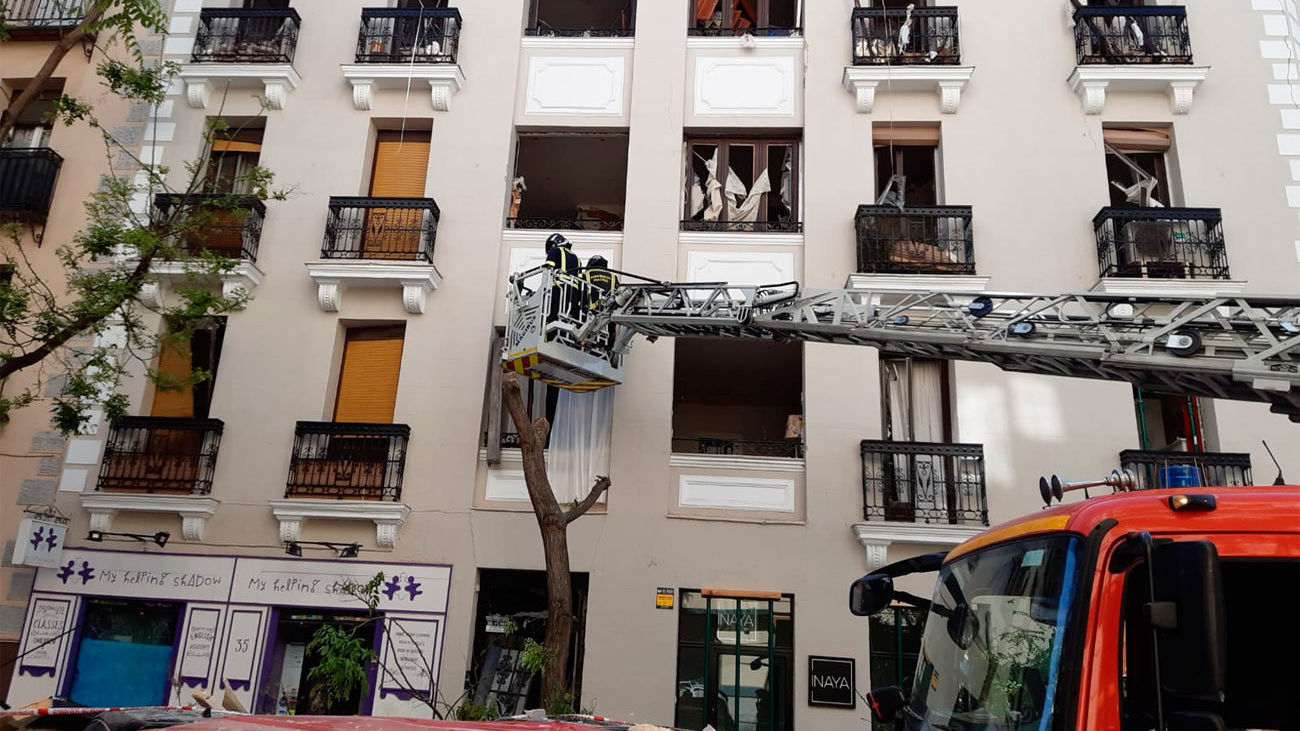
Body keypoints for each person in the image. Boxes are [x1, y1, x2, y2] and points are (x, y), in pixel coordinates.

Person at [543, 233, 580, 338]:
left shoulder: (555, 251)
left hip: (559, 289)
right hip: (573, 294)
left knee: (552, 317)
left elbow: (547, 269)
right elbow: (580, 279)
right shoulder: (577, 258)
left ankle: (550, 339)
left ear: (553, 244)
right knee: (567, 319)